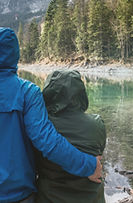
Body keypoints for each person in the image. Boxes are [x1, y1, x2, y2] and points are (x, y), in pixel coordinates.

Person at [0, 27, 102, 203]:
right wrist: (89, 166)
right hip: (19, 196)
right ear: (15, 54)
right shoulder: (27, 92)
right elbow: (47, 141)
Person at [36, 70, 107, 203]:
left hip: (49, 198)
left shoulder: (41, 128)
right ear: (81, 93)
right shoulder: (97, 124)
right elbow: (99, 155)